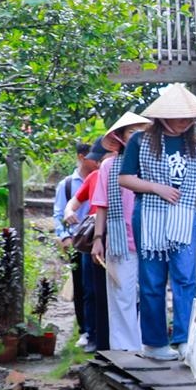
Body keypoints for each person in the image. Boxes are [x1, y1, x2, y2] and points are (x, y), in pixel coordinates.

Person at [119, 84, 196, 361]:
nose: (185, 122)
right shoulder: (139, 141)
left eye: (189, 118)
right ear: (163, 115)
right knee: (151, 280)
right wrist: (156, 187)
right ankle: (154, 343)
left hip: (183, 218)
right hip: (149, 216)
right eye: (179, 117)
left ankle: (184, 340)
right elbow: (125, 178)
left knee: (185, 278)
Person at [87, 111, 151, 352]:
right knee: (121, 296)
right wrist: (97, 239)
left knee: (150, 295)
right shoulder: (109, 166)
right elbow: (101, 204)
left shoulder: (153, 163)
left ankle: (148, 346)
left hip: (151, 240)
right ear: (122, 137)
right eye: (132, 132)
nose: (138, 137)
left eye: (142, 133)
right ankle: (126, 351)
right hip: (119, 241)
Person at [54, 142, 96, 345]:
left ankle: (96, 328)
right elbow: (59, 212)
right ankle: (85, 329)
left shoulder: (101, 177)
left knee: (94, 286)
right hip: (78, 240)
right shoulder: (68, 184)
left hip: (97, 238)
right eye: (92, 156)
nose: (96, 160)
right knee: (81, 286)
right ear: (81, 157)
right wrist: (64, 236)